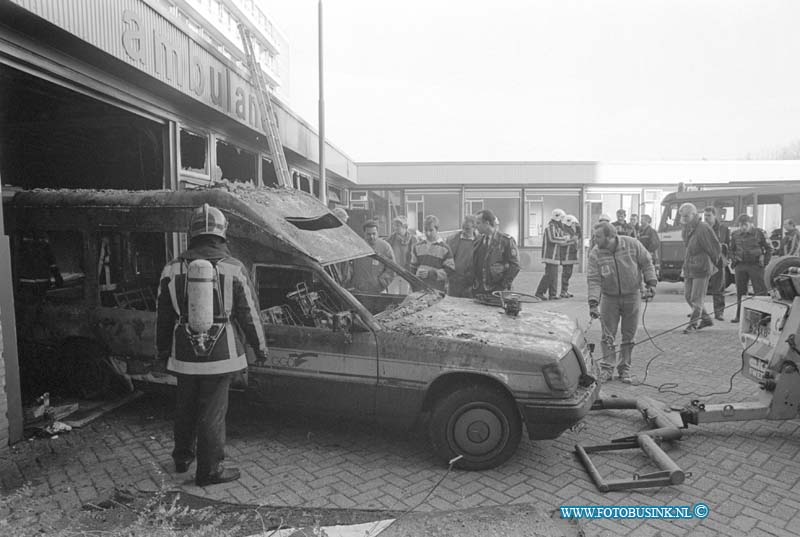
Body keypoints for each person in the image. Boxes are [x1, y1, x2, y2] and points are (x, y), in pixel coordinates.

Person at [155, 203, 269, 486]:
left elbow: (163, 316)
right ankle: (210, 470)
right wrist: (260, 348)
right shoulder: (234, 268)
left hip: (183, 353)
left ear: (191, 234)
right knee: (212, 411)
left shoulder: (171, 268)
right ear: (222, 235)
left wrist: (162, 353)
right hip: (222, 354)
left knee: (185, 405)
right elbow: (249, 314)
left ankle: (182, 458)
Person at [587, 222, 657, 383]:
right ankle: (607, 369)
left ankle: (624, 369)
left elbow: (647, 262)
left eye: (598, 236)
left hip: (632, 296)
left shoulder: (632, 244)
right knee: (607, 336)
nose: (594, 239)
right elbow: (594, 279)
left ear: (610, 237)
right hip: (609, 298)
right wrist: (593, 302)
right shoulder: (595, 253)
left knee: (629, 336)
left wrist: (651, 283)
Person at [678, 203, 721, 333]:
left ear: (694, 214)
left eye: (686, 216)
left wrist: (713, 263)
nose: (684, 218)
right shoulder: (687, 227)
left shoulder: (703, 228)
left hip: (701, 266)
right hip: (690, 266)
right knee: (688, 296)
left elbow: (714, 247)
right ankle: (706, 319)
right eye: (682, 216)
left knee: (696, 298)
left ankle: (693, 324)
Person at [729, 214, 770, 323]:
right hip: (740, 265)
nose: (743, 228)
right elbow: (731, 249)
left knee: (760, 292)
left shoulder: (759, 233)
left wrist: (764, 263)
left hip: (755, 265)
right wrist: (734, 261)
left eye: (745, 225)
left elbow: (768, 249)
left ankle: (764, 316)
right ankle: (739, 316)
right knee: (740, 293)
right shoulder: (735, 235)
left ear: (751, 223)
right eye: (741, 225)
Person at [472, 209, 520, 296]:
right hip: (480, 291)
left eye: (478, 223)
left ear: (487, 223)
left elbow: (515, 266)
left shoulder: (506, 241)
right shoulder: (478, 242)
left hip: (499, 291)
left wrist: (503, 286)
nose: (476, 226)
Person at [410, 215, 455, 293]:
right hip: (418, 290)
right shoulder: (417, 246)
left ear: (437, 229)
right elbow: (413, 267)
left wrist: (431, 274)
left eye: (431, 230)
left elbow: (450, 270)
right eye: (426, 230)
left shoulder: (445, 248)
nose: (428, 233)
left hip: (436, 290)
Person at [349, 220, 395, 293]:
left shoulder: (385, 247)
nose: (371, 237)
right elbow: (349, 267)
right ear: (364, 233)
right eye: (368, 234)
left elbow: (392, 268)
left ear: (378, 233)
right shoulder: (357, 246)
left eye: (374, 234)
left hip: (379, 290)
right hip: (359, 290)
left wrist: (381, 282)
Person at [703, 207, 731, 321]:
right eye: (705, 215)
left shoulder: (723, 228)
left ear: (715, 215)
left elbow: (728, 244)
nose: (706, 218)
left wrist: (725, 257)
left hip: (718, 261)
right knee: (700, 287)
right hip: (704, 260)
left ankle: (719, 313)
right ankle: (699, 311)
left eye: (708, 215)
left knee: (718, 287)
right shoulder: (702, 227)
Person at [535, 209, 569, 300]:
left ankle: (553, 294)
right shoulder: (550, 227)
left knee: (554, 275)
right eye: (561, 218)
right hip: (550, 255)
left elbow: (562, 239)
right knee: (549, 275)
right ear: (557, 218)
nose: (562, 221)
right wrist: (564, 239)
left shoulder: (557, 228)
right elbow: (552, 239)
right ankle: (539, 292)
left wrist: (566, 238)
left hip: (555, 256)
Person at [446, 215, 479, 297]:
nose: (464, 231)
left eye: (467, 229)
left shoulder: (479, 242)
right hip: (454, 282)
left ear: (474, 228)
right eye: (463, 227)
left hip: (470, 284)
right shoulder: (451, 240)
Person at [386, 216, 417, 294]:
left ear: (405, 227)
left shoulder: (413, 240)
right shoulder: (391, 239)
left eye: (398, 225)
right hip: (393, 273)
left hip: (406, 273)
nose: (395, 228)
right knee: (392, 297)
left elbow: (415, 257)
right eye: (394, 225)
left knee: (404, 296)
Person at [559, 214, 581, 298]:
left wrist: (578, 228)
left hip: (571, 255)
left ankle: (565, 290)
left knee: (568, 273)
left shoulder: (571, 230)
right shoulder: (564, 230)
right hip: (566, 255)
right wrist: (573, 240)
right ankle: (563, 291)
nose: (573, 225)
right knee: (566, 273)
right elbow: (563, 243)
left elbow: (579, 235)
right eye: (573, 223)